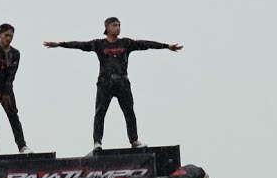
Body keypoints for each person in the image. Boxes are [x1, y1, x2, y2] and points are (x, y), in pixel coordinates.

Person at [43, 17, 183, 152]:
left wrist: (166, 46)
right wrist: (60, 44)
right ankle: (97, 142)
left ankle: (134, 141)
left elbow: (145, 44)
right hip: (105, 83)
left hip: (122, 82)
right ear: (107, 28)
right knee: (100, 113)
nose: (118, 28)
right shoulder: (99, 44)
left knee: (129, 112)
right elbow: (80, 45)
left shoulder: (126, 43)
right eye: (114, 25)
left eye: (119, 25)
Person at [0, 23, 31, 156]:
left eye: (11, 36)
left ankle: (22, 145)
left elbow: (11, 74)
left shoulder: (15, 53)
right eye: (6, 36)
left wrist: (5, 92)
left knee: (13, 115)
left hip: (6, 88)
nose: (8, 39)